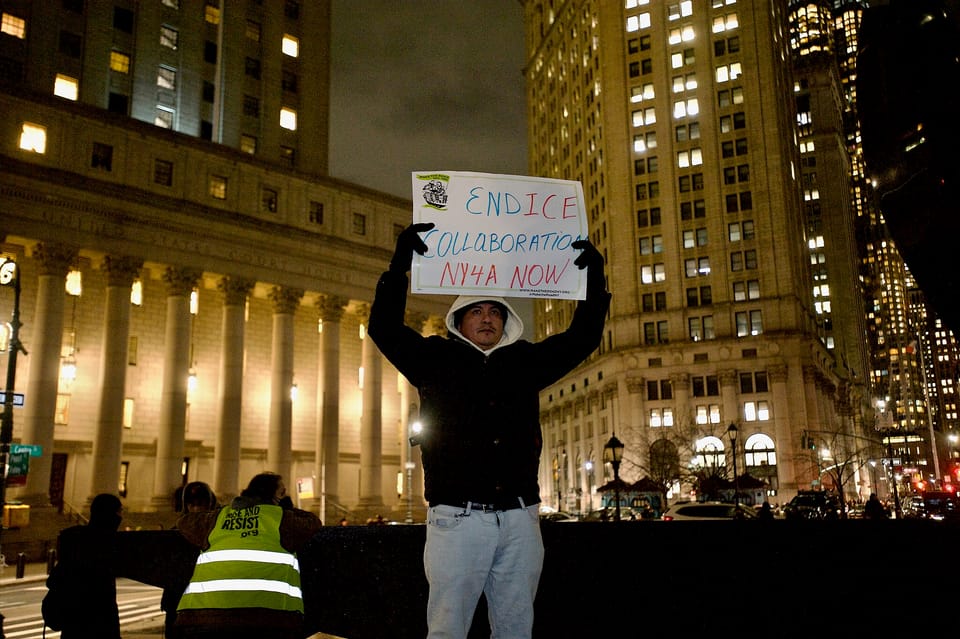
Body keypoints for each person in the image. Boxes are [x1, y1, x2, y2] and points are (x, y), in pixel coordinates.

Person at [368, 222, 610, 638]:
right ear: (459, 321)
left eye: (496, 311)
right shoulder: (433, 358)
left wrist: (594, 278)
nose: (487, 318)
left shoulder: (525, 362)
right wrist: (400, 264)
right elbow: (384, 328)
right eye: (477, 312)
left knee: (516, 628)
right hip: (457, 519)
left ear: (506, 322)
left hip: (520, 519)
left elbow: (582, 338)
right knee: (447, 628)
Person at [174, 472, 323, 639]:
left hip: (204, 615)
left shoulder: (218, 517)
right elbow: (314, 522)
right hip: (269, 618)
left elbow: (184, 522)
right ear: (277, 494)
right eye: (283, 491)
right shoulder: (282, 519)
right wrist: (286, 507)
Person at [44, 493, 123, 638]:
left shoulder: (74, 538)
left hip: (73, 624)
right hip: (97, 623)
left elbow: (55, 579)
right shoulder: (107, 544)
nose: (120, 518)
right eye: (118, 512)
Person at [162, 481, 218, 639]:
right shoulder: (176, 531)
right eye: (191, 504)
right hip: (179, 600)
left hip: (206, 601)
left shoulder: (218, 531)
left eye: (201, 504)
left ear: (210, 504)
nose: (196, 509)